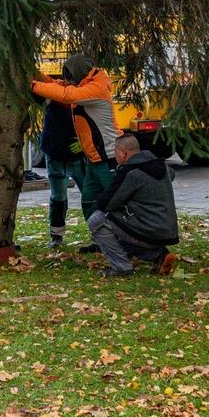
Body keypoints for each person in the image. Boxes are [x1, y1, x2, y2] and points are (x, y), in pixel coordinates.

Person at [29, 54, 120, 251]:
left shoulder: (95, 88)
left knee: (115, 201)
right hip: (92, 158)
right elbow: (59, 87)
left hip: (108, 156)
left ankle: (125, 241)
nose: (67, 81)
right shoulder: (86, 85)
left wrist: (33, 85)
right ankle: (100, 240)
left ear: (77, 74)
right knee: (88, 200)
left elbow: (67, 95)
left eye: (70, 77)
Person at [89, 134, 179, 278]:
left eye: (115, 152)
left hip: (147, 228)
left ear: (123, 153)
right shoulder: (163, 166)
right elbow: (171, 176)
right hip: (167, 229)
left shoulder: (130, 172)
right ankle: (159, 255)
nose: (115, 156)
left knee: (97, 220)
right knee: (121, 223)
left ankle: (121, 267)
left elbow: (107, 203)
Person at [39, 98, 86, 249]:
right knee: (58, 197)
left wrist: (84, 143)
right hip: (57, 153)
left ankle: (98, 235)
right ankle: (56, 234)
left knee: (89, 196)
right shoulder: (56, 98)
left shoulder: (81, 99)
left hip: (72, 154)